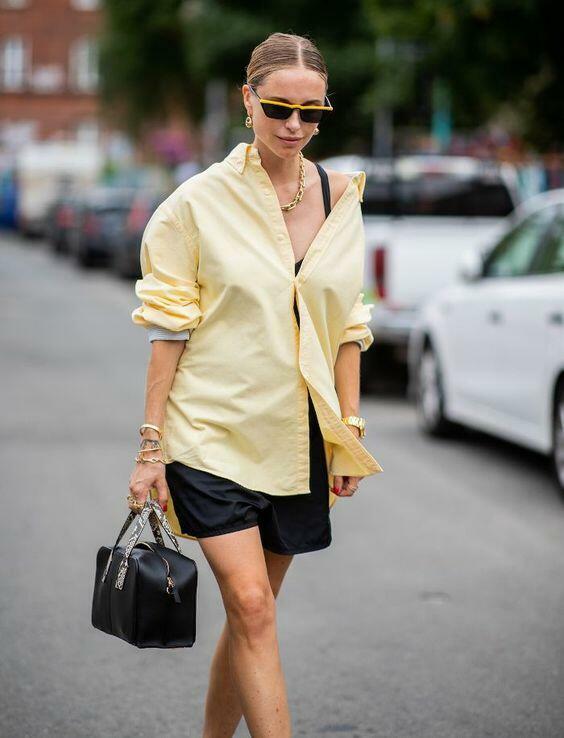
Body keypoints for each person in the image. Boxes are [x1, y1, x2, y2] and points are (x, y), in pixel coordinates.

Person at [128, 31, 383, 738]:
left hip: (297, 440)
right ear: (248, 101)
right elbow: (168, 331)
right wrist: (151, 448)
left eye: (311, 112)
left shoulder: (339, 196)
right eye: (278, 109)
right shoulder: (194, 205)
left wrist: (348, 430)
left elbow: (347, 323)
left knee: (253, 614)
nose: (294, 125)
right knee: (251, 605)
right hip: (209, 433)